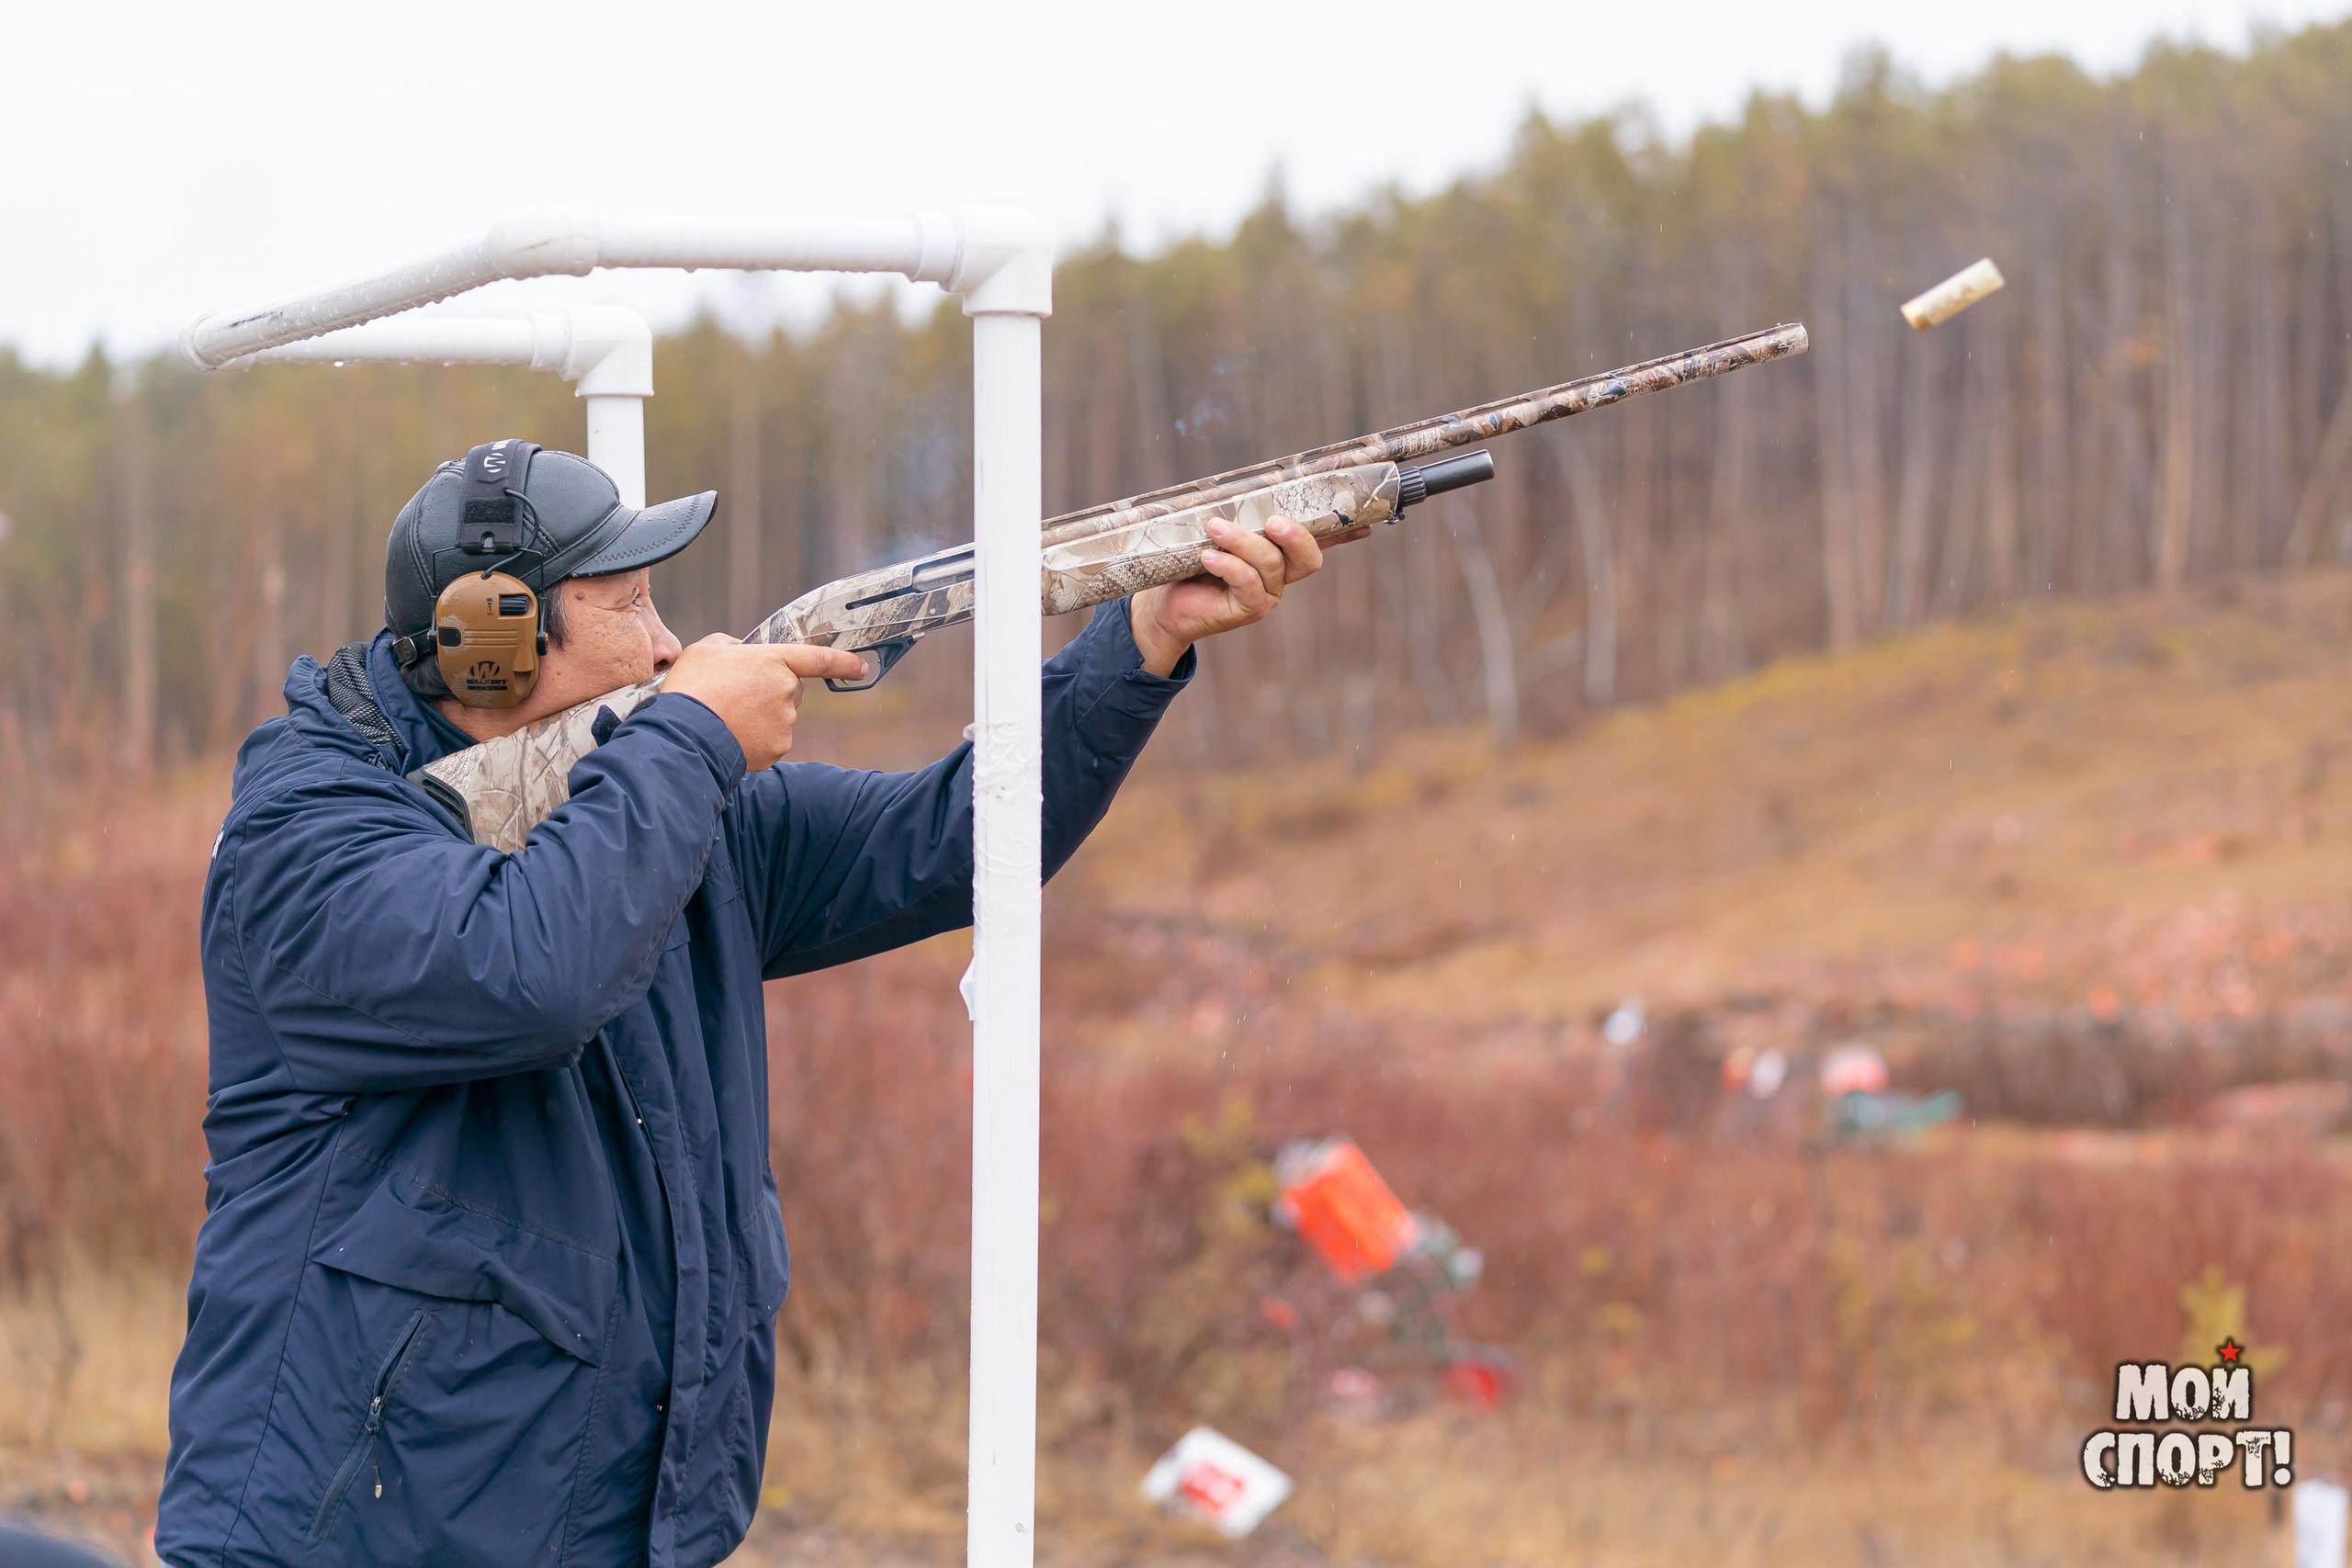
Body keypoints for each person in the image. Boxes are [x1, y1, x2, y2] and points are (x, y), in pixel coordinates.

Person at [154, 441, 1321, 1568]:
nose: (671, 644)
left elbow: (949, 837)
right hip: (358, 1529)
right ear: (491, 647)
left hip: (602, 1513)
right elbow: (527, 973)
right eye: (630, 607)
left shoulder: (644, 793)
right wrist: (693, 737)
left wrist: (1137, 646)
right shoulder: (307, 835)